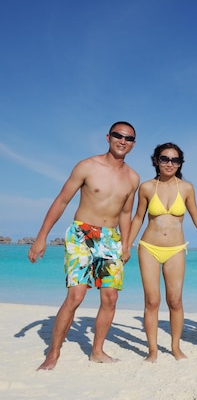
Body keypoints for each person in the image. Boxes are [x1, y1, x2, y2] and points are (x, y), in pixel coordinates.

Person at [27, 121, 140, 370]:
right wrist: (42, 236)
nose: (123, 141)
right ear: (108, 137)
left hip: (111, 239)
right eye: (118, 135)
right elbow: (62, 200)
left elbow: (126, 212)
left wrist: (126, 244)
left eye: (129, 138)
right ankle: (53, 353)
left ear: (133, 144)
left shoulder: (133, 177)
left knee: (110, 297)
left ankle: (97, 351)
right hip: (82, 234)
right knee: (76, 295)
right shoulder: (87, 166)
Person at [129, 143, 197, 362]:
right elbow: (138, 218)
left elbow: (196, 216)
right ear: (156, 161)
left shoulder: (186, 188)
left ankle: (175, 347)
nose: (169, 163)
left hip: (176, 249)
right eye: (165, 159)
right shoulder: (147, 187)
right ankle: (153, 350)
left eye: (174, 160)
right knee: (152, 301)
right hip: (148, 247)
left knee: (175, 301)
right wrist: (125, 245)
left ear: (180, 163)